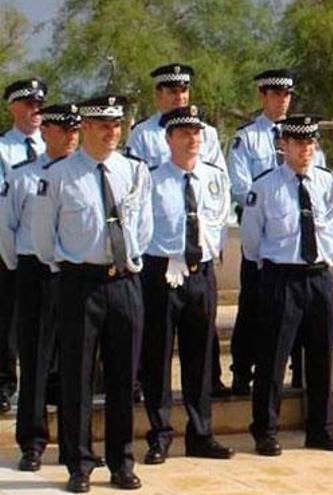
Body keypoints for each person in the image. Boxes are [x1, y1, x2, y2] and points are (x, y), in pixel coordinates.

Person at [32, 95, 152, 492]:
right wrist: (69, 267)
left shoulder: (134, 172)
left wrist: (128, 263)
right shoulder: (60, 175)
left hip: (124, 283)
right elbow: (43, 240)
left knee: (122, 379)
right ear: (84, 126)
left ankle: (121, 462)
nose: (111, 132)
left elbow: (144, 228)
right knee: (76, 379)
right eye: (102, 124)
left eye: (116, 124)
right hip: (79, 285)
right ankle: (79, 464)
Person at [241, 115, 333, 454]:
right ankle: (265, 429)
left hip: (318, 276)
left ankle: (321, 428)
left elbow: (332, 228)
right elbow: (250, 240)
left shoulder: (328, 181)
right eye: (298, 142)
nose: (306, 149)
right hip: (281, 277)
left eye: (311, 142)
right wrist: (274, 266)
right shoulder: (265, 186)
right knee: (273, 358)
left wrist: (321, 258)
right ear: (283, 145)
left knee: (321, 358)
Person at [126, 62, 228, 398]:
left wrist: (213, 241)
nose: (178, 96)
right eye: (171, 90)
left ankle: (208, 390)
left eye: (183, 90)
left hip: (198, 254)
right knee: (158, 338)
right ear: (159, 95)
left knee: (202, 336)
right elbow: (137, 193)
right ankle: (151, 400)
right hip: (162, 254)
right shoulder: (142, 133)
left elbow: (217, 189)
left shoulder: (207, 133)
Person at [140, 105, 235, 465]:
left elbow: (219, 222)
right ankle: (160, 434)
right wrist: (168, 256)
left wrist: (203, 256)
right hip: (162, 273)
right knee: (158, 355)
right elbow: (141, 227)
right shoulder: (150, 178)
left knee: (201, 354)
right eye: (183, 133)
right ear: (168, 139)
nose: (192, 139)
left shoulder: (214, 177)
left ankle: (201, 432)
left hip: (200, 273)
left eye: (196, 133)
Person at [227, 69, 326, 395]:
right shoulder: (248, 138)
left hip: (300, 239)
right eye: (276, 94)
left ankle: (299, 373)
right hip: (263, 236)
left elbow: (320, 180)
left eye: (287, 94)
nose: (283, 100)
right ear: (263, 96)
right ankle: (243, 371)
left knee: (301, 314)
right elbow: (241, 188)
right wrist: (272, 198)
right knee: (253, 307)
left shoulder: (306, 136)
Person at [0, 103, 78, 471]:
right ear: (46, 132)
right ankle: (32, 442)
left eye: (75, 131)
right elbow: (6, 228)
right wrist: (21, 266)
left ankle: (71, 441)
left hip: (75, 274)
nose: (71, 137)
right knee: (35, 358)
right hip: (34, 273)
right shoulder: (22, 176)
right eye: (64, 130)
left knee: (73, 360)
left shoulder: (83, 175)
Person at [0, 77, 47, 412]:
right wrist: (10, 255)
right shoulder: (4, 149)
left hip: (49, 252)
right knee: (9, 321)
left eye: (39, 105)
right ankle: (6, 383)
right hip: (12, 247)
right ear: (13, 108)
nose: (35, 111)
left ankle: (50, 383)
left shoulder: (51, 146)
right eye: (28, 105)